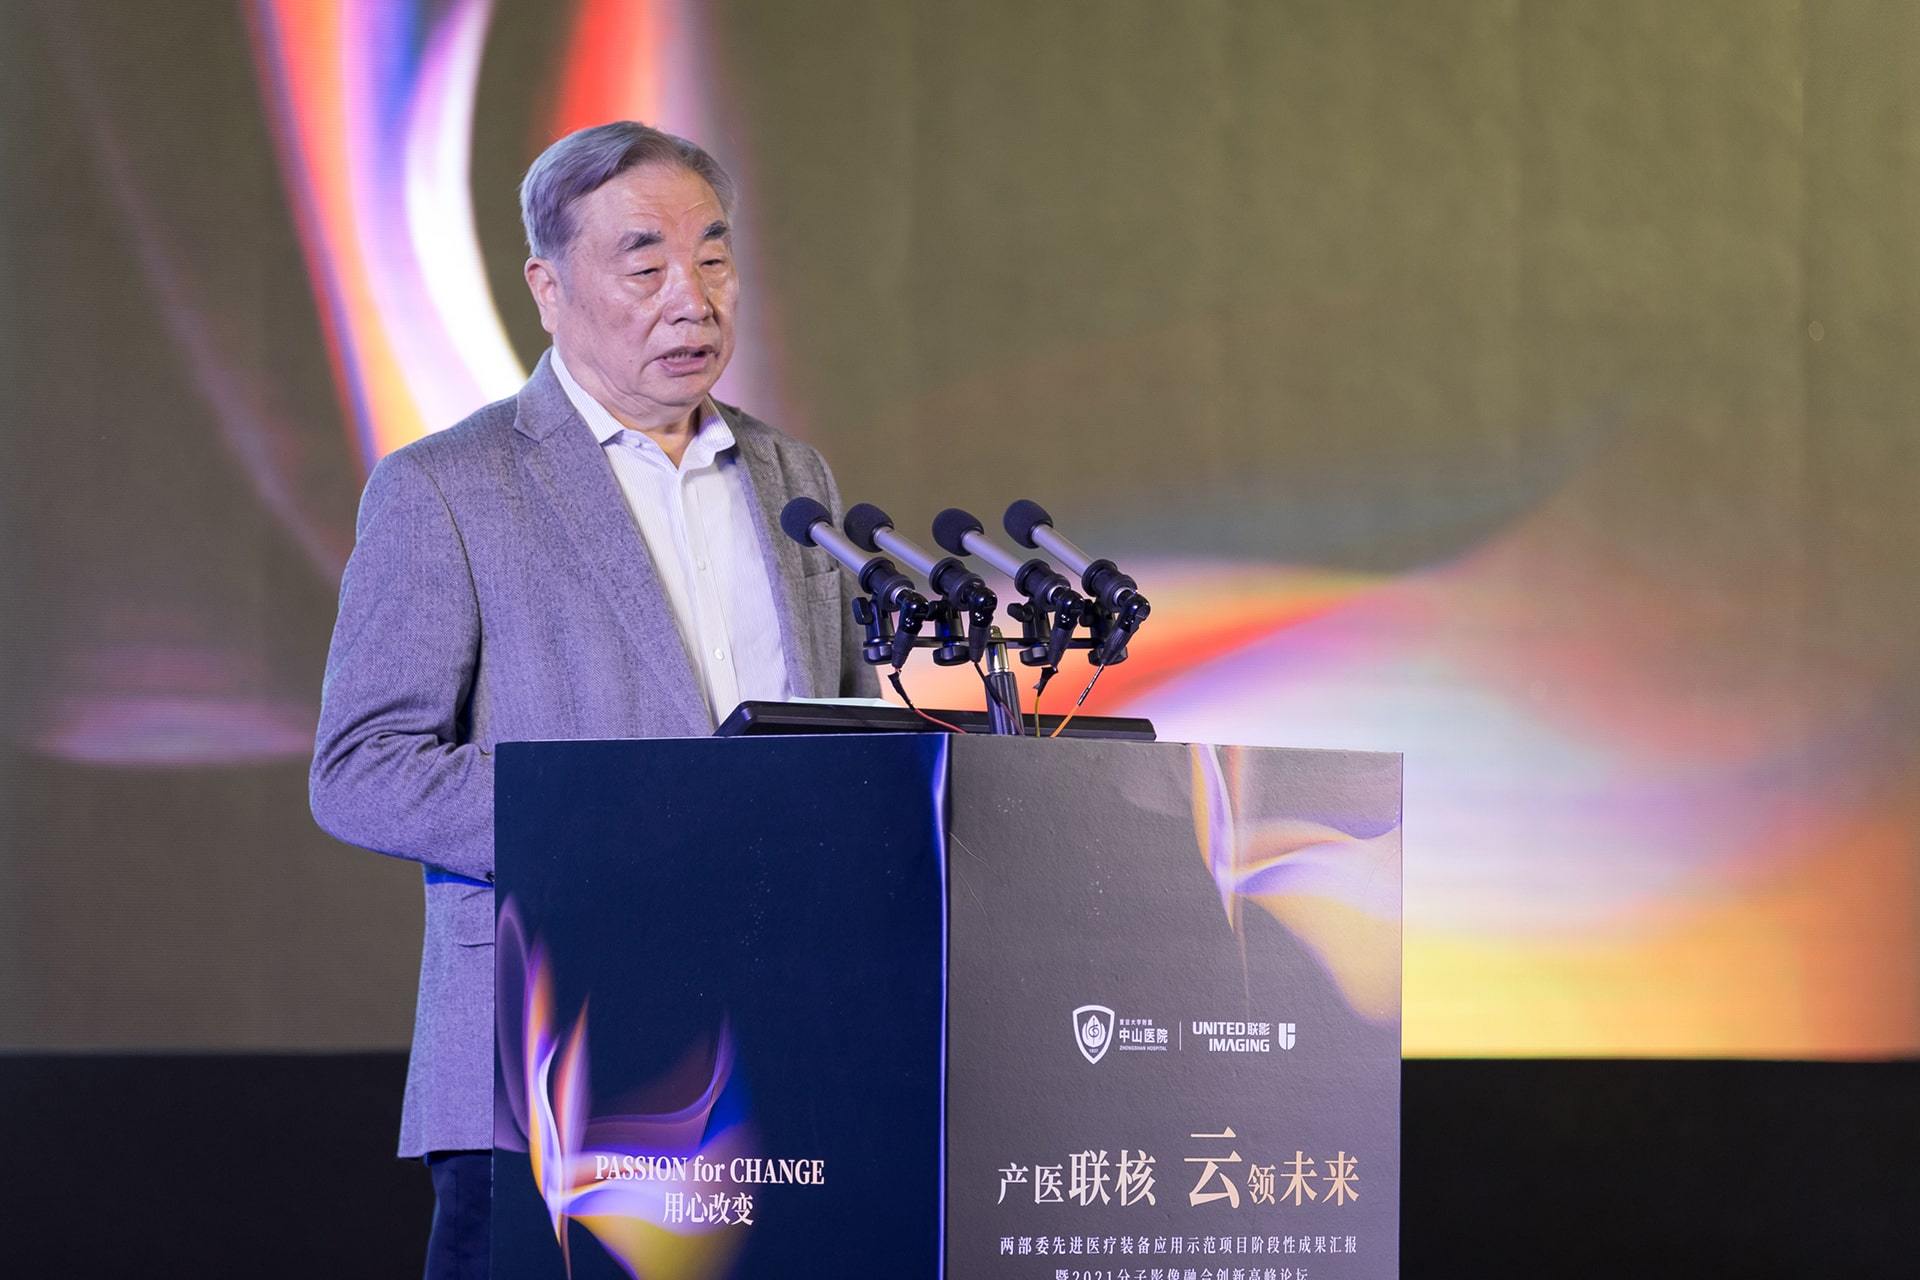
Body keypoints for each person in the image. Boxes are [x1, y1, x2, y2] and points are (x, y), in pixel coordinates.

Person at [309, 121, 877, 1279]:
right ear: (548, 287)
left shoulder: (794, 480)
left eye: (713, 257)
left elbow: (845, 729)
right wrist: (612, 818)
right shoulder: (448, 487)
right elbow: (362, 767)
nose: (691, 297)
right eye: (645, 263)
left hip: (777, 1046)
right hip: (545, 1051)